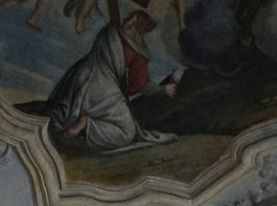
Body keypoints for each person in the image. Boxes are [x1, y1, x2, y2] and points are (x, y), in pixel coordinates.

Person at [48, 9, 179, 151]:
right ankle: (86, 123)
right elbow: (141, 86)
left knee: (62, 116)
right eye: (131, 19)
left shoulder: (109, 32)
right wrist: (163, 89)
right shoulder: (136, 51)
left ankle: (81, 126)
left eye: (133, 21)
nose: (128, 22)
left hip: (77, 77)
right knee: (126, 132)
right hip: (103, 88)